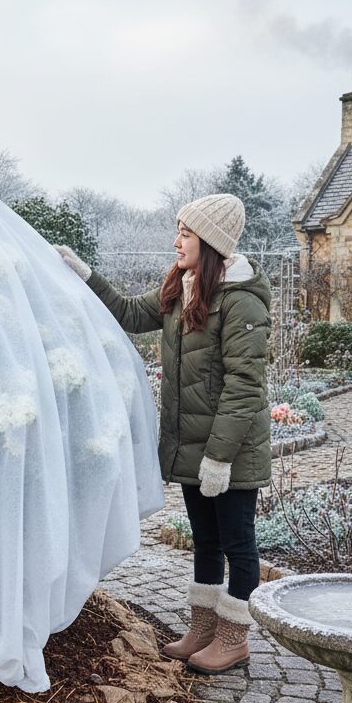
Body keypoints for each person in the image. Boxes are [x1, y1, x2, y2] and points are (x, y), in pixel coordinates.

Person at [55, 194, 271, 674]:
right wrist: (86, 276)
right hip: (194, 447)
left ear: (209, 243)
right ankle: (203, 629)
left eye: (185, 234)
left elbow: (243, 384)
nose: (176, 242)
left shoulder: (240, 300)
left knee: (238, 542)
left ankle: (234, 638)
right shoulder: (184, 286)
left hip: (230, 451)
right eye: (178, 231)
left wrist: (218, 458)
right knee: (206, 540)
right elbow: (132, 315)